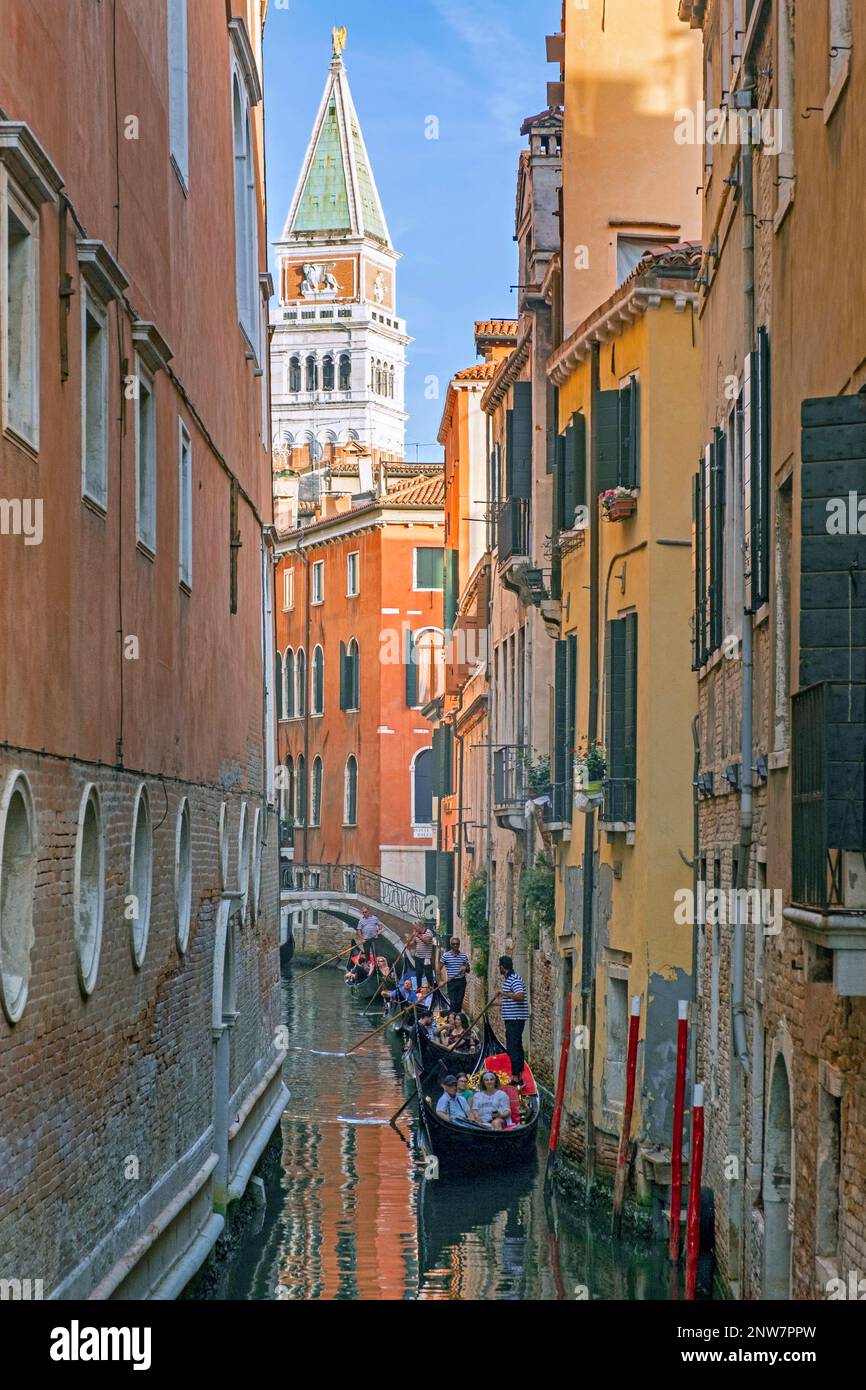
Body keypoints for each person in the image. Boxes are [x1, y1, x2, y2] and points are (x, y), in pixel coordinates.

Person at [498, 955, 529, 1086]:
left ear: (502, 967)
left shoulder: (514, 979)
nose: (498, 968)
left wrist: (504, 994)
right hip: (513, 1018)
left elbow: (520, 996)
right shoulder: (509, 979)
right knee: (516, 1046)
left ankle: (516, 1079)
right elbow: (512, 999)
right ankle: (519, 1076)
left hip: (515, 1019)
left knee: (513, 1048)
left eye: (499, 966)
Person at [441, 937, 471, 1013]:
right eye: (453, 944)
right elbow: (439, 968)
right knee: (453, 1002)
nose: (455, 945)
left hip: (461, 981)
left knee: (459, 1002)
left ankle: (457, 1019)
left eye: (457, 944)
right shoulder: (445, 956)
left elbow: (468, 970)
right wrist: (440, 981)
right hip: (451, 981)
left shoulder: (464, 956)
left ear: (459, 945)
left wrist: (465, 968)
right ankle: (452, 1019)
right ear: (451, 945)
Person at [410, 920, 436, 989]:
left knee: (428, 974)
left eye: (415, 927)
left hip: (426, 958)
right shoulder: (417, 933)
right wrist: (408, 944)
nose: (414, 929)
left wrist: (417, 935)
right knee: (418, 973)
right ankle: (419, 988)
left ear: (419, 926)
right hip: (418, 957)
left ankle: (431, 987)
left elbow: (427, 941)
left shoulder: (428, 932)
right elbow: (413, 943)